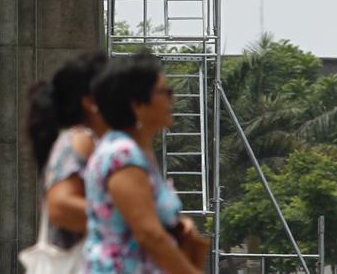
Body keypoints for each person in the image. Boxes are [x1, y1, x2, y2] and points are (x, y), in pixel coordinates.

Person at [84, 54, 206, 274]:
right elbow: (149, 235)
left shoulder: (136, 153)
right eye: (164, 92)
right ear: (137, 103)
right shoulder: (123, 155)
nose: (173, 98)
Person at [25, 51, 109, 249]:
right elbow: (60, 206)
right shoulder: (80, 140)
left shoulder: (82, 139)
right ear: (90, 102)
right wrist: (133, 220)